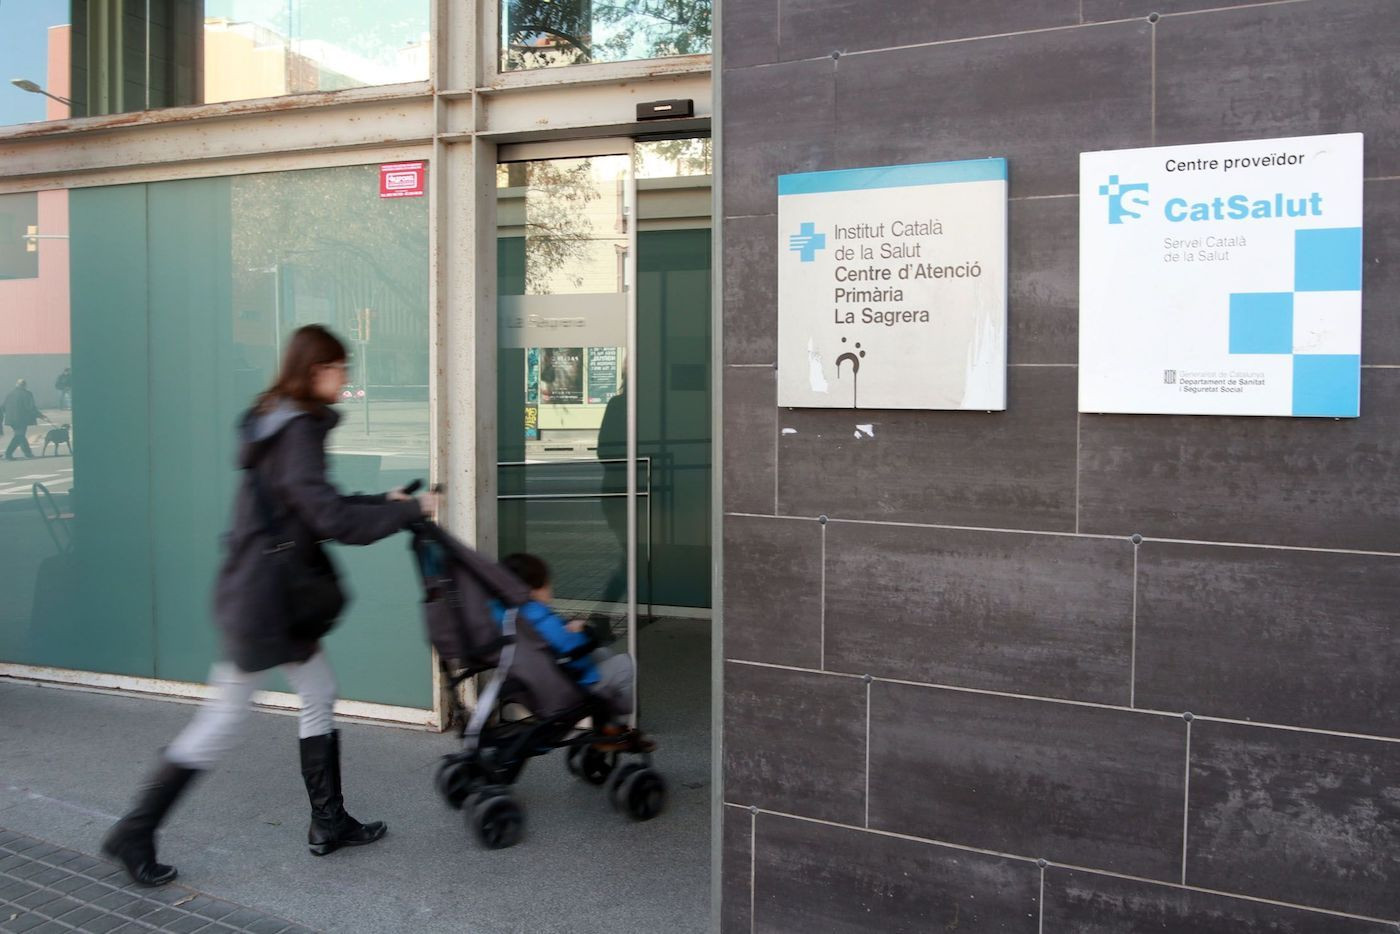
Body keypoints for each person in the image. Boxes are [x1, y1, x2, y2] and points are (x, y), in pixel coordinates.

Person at [102, 325, 437, 887]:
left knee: (317, 691)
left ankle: (328, 821)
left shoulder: (276, 418)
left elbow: (313, 506)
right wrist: (412, 511)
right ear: (314, 371)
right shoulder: (299, 430)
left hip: (263, 591)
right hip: (266, 602)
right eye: (339, 367)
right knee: (224, 718)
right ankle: (135, 829)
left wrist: (386, 500)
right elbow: (330, 520)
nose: (345, 376)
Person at [495, 552, 635, 719]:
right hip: (563, 688)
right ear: (532, 590)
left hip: (531, 683)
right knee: (626, 664)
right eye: (546, 581)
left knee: (603, 654)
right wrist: (581, 631)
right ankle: (617, 723)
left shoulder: (507, 615)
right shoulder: (541, 619)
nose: (550, 585)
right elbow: (575, 650)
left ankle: (601, 713)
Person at [3, 379, 42, 460]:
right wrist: (40, 415)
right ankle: (8, 453)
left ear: (16, 385)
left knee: (20, 435)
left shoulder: (10, 394)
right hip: (21, 419)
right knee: (19, 435)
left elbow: (3, 406)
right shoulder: (27, 394)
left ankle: (27, 453)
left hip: (10, 419)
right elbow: (30, 407)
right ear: (24, 385)